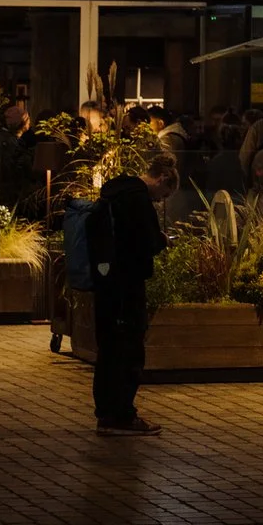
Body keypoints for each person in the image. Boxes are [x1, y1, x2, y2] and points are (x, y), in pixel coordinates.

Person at [88, 154, 175, 437]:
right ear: (161, 179)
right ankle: (123, 414)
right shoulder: (138, 200)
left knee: (108, 348)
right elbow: (144, 243)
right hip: (127, 284)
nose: (160, 201)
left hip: (106, 281)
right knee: (129, 348)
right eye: (164, 194)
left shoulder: (115, 192)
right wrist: (161, 240)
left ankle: (106, 412)